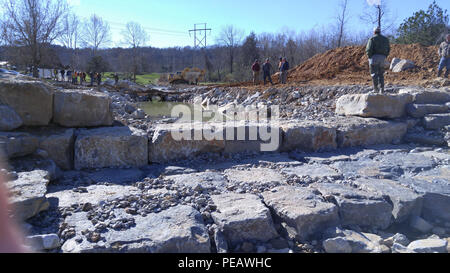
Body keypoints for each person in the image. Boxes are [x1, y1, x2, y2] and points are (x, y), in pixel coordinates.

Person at [366, 27, 390, 93]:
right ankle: (382, 89)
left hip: (374, 58)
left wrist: (369, 57)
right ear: (380, 31)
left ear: (374, 32)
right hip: (382, 58)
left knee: (374, 74)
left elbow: (368, 49)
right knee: (381, 74)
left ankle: (376, 89)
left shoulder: (372, 39)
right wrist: (385, 56)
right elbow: (388, 49)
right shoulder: (385, 39)